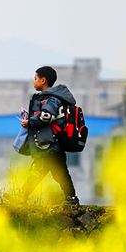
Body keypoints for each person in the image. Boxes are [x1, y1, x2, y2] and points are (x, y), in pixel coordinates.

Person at [20, 66, 79, 205]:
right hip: (47, 144)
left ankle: (22, 197)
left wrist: (30, 122)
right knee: (53, 173)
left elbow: (47, 116)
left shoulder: (52, 99)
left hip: (51, 144)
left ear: (43, 80)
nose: (33, 82)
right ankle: (70, 198)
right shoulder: (46, 98)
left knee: (49, 173)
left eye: (35, 79)